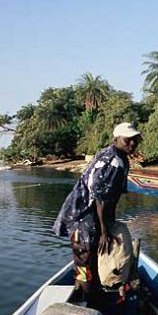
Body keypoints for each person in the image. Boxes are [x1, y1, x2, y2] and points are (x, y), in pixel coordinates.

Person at [53, 122, 142, 296]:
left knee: (88, 261)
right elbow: (100, 198)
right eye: (127, 140)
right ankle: (87, 299)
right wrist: (104, 231)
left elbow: (110, 198)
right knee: (85, 262)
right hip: (84, 216)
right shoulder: (114, 160)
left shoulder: (116, 156)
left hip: (90, 216)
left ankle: (88, 295)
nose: (132, 144)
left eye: (135, 140)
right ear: (116, 138)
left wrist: (108, 225)